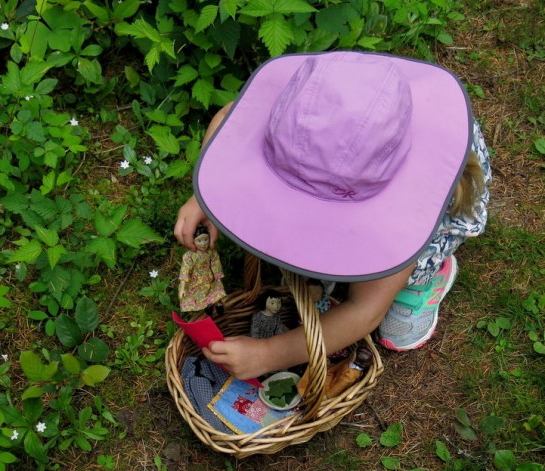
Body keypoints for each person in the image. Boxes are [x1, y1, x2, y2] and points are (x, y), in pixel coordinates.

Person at [174, 51, 491, 382]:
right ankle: (328, 255)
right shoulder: (300, 111)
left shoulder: (404, 213)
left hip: (427, 207)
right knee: (309, 248)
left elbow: (364, 312)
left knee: (384, 278)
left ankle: (426, 275)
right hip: (343, 144)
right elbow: (229, 119)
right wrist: (204, 197)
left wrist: (268, 354)